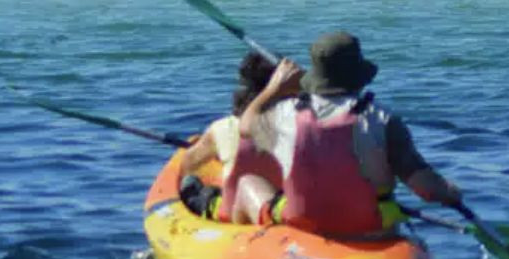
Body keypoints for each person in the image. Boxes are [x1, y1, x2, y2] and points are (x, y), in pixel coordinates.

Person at [221, 33, 467, 236]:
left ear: (316, 77)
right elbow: (426, 189)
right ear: (359, 77)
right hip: (370, 228)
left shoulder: (284, 116)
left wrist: (274, 88)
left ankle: (247, 249)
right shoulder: (383, 119)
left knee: (247, 184)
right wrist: (451, 192)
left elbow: (245, 125)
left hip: (302, 223)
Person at [176, 52, 280, 219]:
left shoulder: (222, 128)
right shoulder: (298, 124)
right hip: (279, 204)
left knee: (192, 186)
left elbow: (189, 164)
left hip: (234, 211)